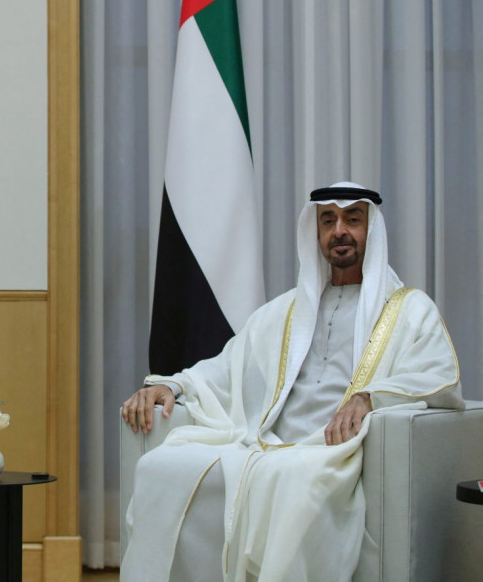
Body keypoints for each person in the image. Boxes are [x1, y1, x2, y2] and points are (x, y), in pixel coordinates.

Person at [120, 182, 462, 581]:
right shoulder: (285, 311)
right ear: (315, 232)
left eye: (352, 219)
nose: (339, 231)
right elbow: (226, 367)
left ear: (372, 229)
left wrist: (371, 397)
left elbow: (440, 377)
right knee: (161, 466)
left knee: (296, 482)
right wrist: (174, 386)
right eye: (328, 221)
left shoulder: (409, 309)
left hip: (331, 453)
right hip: (264, 444)